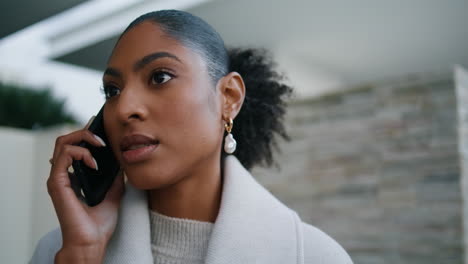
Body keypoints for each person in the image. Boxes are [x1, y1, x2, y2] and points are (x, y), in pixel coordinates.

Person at [29, 9, 353, 264]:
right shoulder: (60, 251)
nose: (124, 108)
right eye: (112, 90)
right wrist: (83, 254)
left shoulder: (316, 257)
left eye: (160, 76)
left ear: (228, 97)